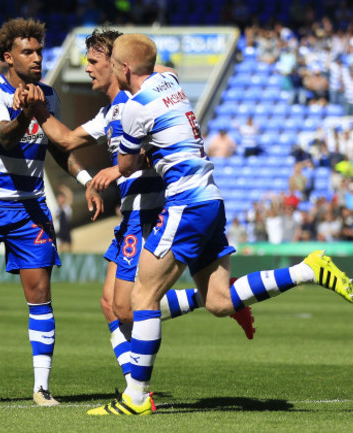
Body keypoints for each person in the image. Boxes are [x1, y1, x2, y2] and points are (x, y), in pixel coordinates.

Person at [87, 33, 353, 416]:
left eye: (114, 61)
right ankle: (306, 270)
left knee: (140, 299)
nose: (110, 66)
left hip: (184, 203)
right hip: (211, 199)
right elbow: (159, 68)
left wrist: (119, 165)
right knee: (217, 301)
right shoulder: (169, 82)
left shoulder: (133, 110)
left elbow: (127, 166)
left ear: (125, 68)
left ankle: (135, 397)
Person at [16, 28, 255, 385]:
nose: (88, 68)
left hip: (151, 209)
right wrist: (37, 109)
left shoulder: (137, 104)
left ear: (118, 65)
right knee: (111, 304)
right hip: (133, 210)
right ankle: (137, 384)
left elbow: (145, 152)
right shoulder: (113, 109)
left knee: (130, 305)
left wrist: (117, 169)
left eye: (95, 61)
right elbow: (66, 140)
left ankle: (138, 391)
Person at [0, 18, 103, 408]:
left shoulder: (48, 96)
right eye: (28, 52)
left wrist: (86, 179)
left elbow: (58, 149)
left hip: (30, 210)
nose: (37, 59)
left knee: (39, 296)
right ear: (7, 57)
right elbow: (4, 136)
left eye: (39, 52)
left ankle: (41, 387)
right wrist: (26, 113)